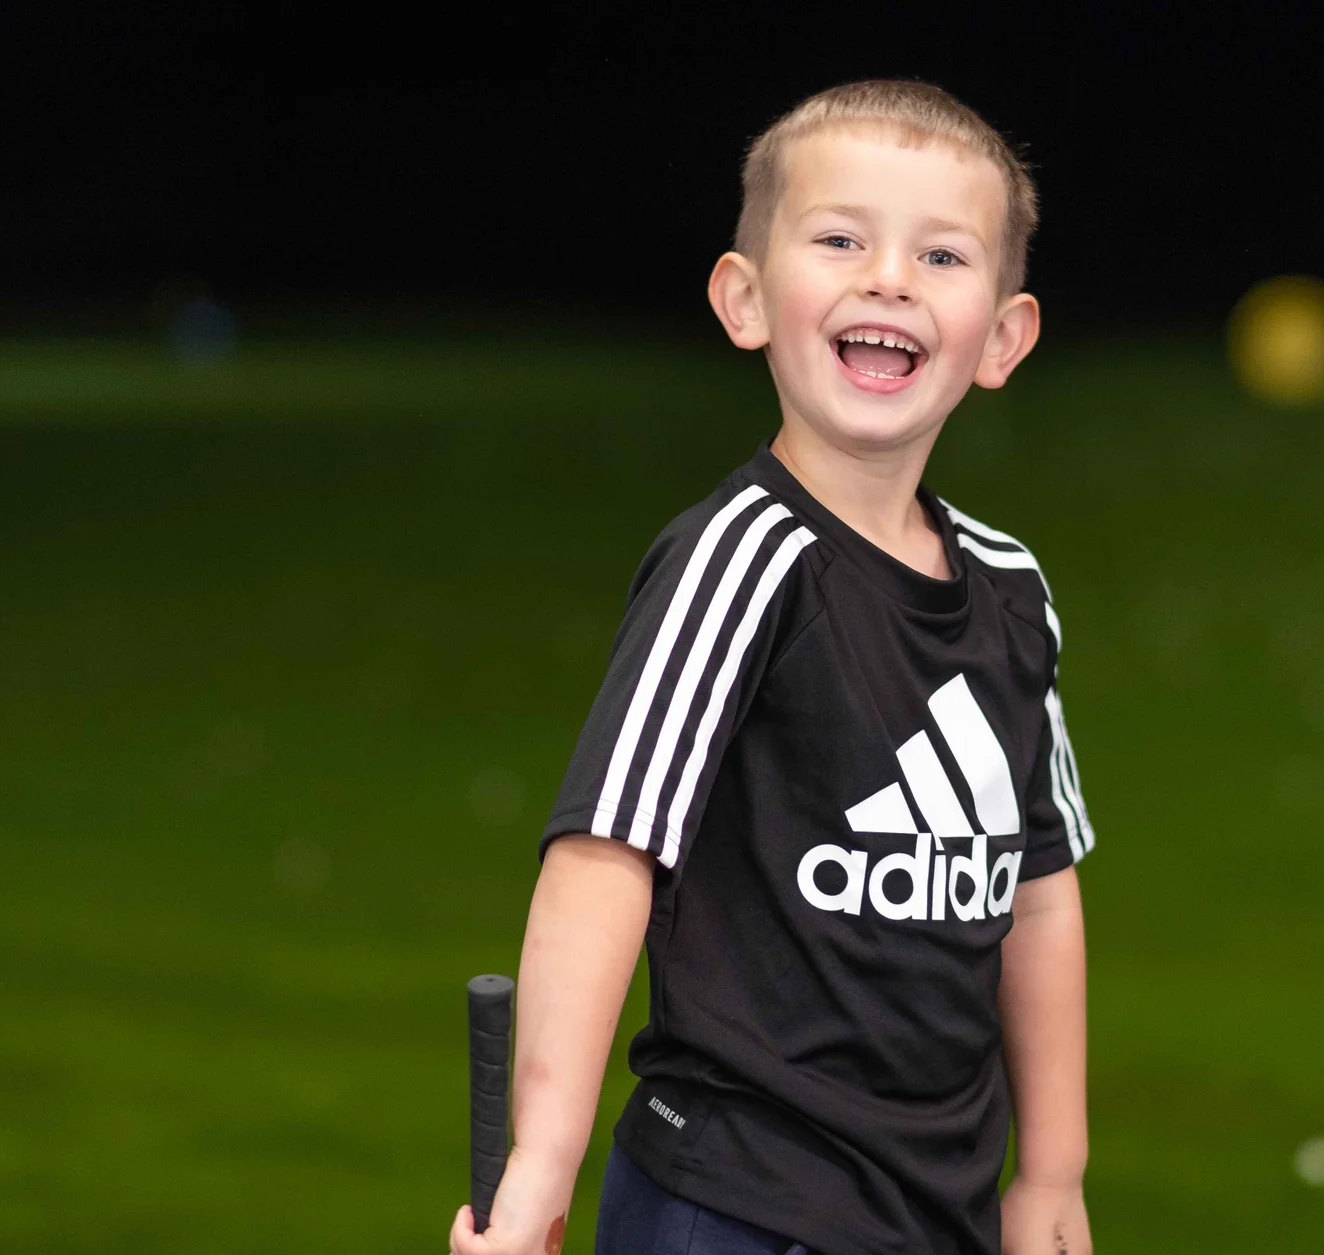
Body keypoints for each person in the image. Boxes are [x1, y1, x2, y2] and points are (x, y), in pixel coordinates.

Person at [450, 79, 1098, 1255]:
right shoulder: (739, 562)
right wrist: (540, 1167)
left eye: (941, 255)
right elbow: (604, 860)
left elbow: (1038, 893)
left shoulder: (1010, 587)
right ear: (746, 299)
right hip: (735, 1198)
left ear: (1003, 337)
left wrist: (1053, 1171)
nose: (889, 277)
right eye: (842, 238)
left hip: (936, 1202)